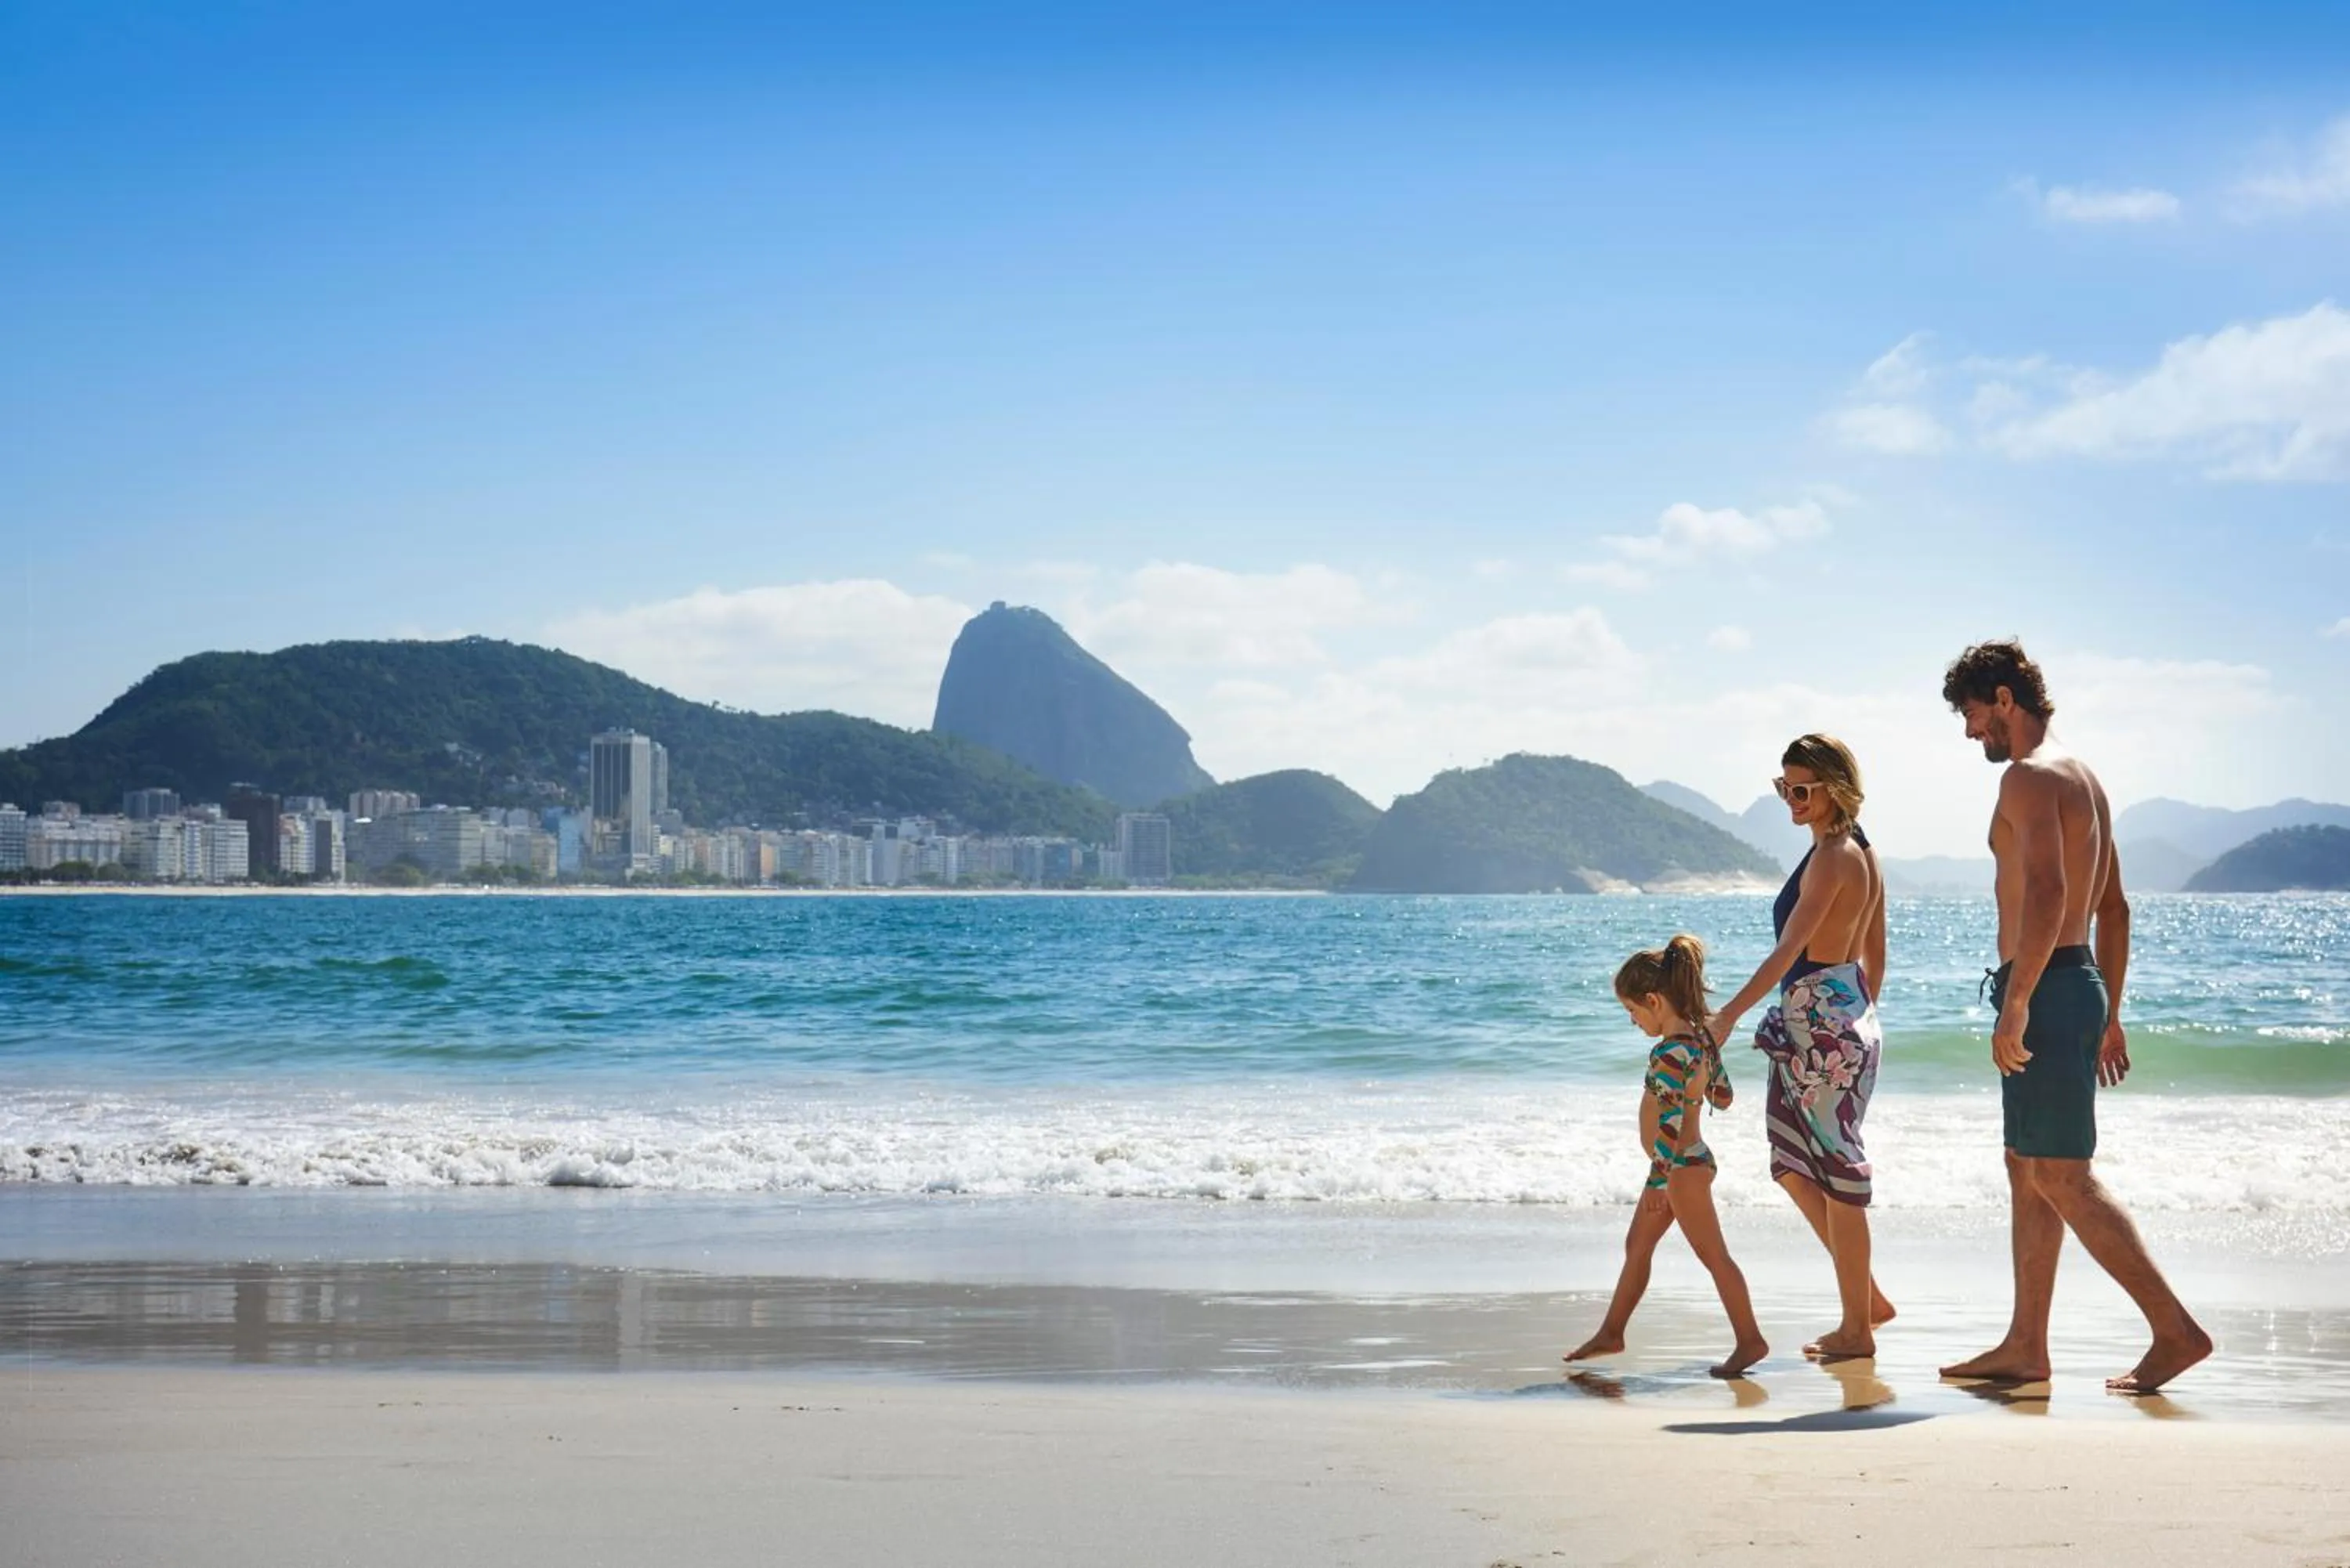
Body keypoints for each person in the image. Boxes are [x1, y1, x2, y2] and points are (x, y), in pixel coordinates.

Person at [1935, 639, 2211, 1393]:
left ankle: (2175, 1331)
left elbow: (2051, 893)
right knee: (2026, 1165)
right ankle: (2026, 1345)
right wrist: (2109, 1011)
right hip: (2074, 980)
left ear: (2004, 699)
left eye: (1972, 714)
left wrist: (2018, 1001)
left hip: (2047, 985)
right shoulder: (2085, 780)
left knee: (2061, 1173)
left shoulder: (2028, 778)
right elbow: (2113, 909)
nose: (1971, 732)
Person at [1705, 734, 1893, 1360]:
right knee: (1791, 1165)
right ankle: (1867, 1299)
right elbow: (1875, 950)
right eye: (1784, 788)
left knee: (1838, 1178)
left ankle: (1858, 1328)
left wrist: (1729, 1014)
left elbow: (1790, 950)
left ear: (1835, 788)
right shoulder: (1853, 848)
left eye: (1803, 790)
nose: (1791, 799)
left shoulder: (1838, 856)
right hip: (1832, 1017)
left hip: (1823, 1027)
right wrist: (1860, 1007)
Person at [1565, 934, 1770, 1378]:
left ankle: (1750, 1339)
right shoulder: (1697, 1044)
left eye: (1632, 1011)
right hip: (1685, 1163)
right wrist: (1708, 1063)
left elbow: (1671, 1121)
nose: (1633, 1021)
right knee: (1637, 1246)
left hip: (1679, 1169)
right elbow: (1724, 1098)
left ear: (1654, 1001)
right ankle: (1611, 1333)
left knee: (1715, 1257)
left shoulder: (1669, 1052)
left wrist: (1659, 1180)